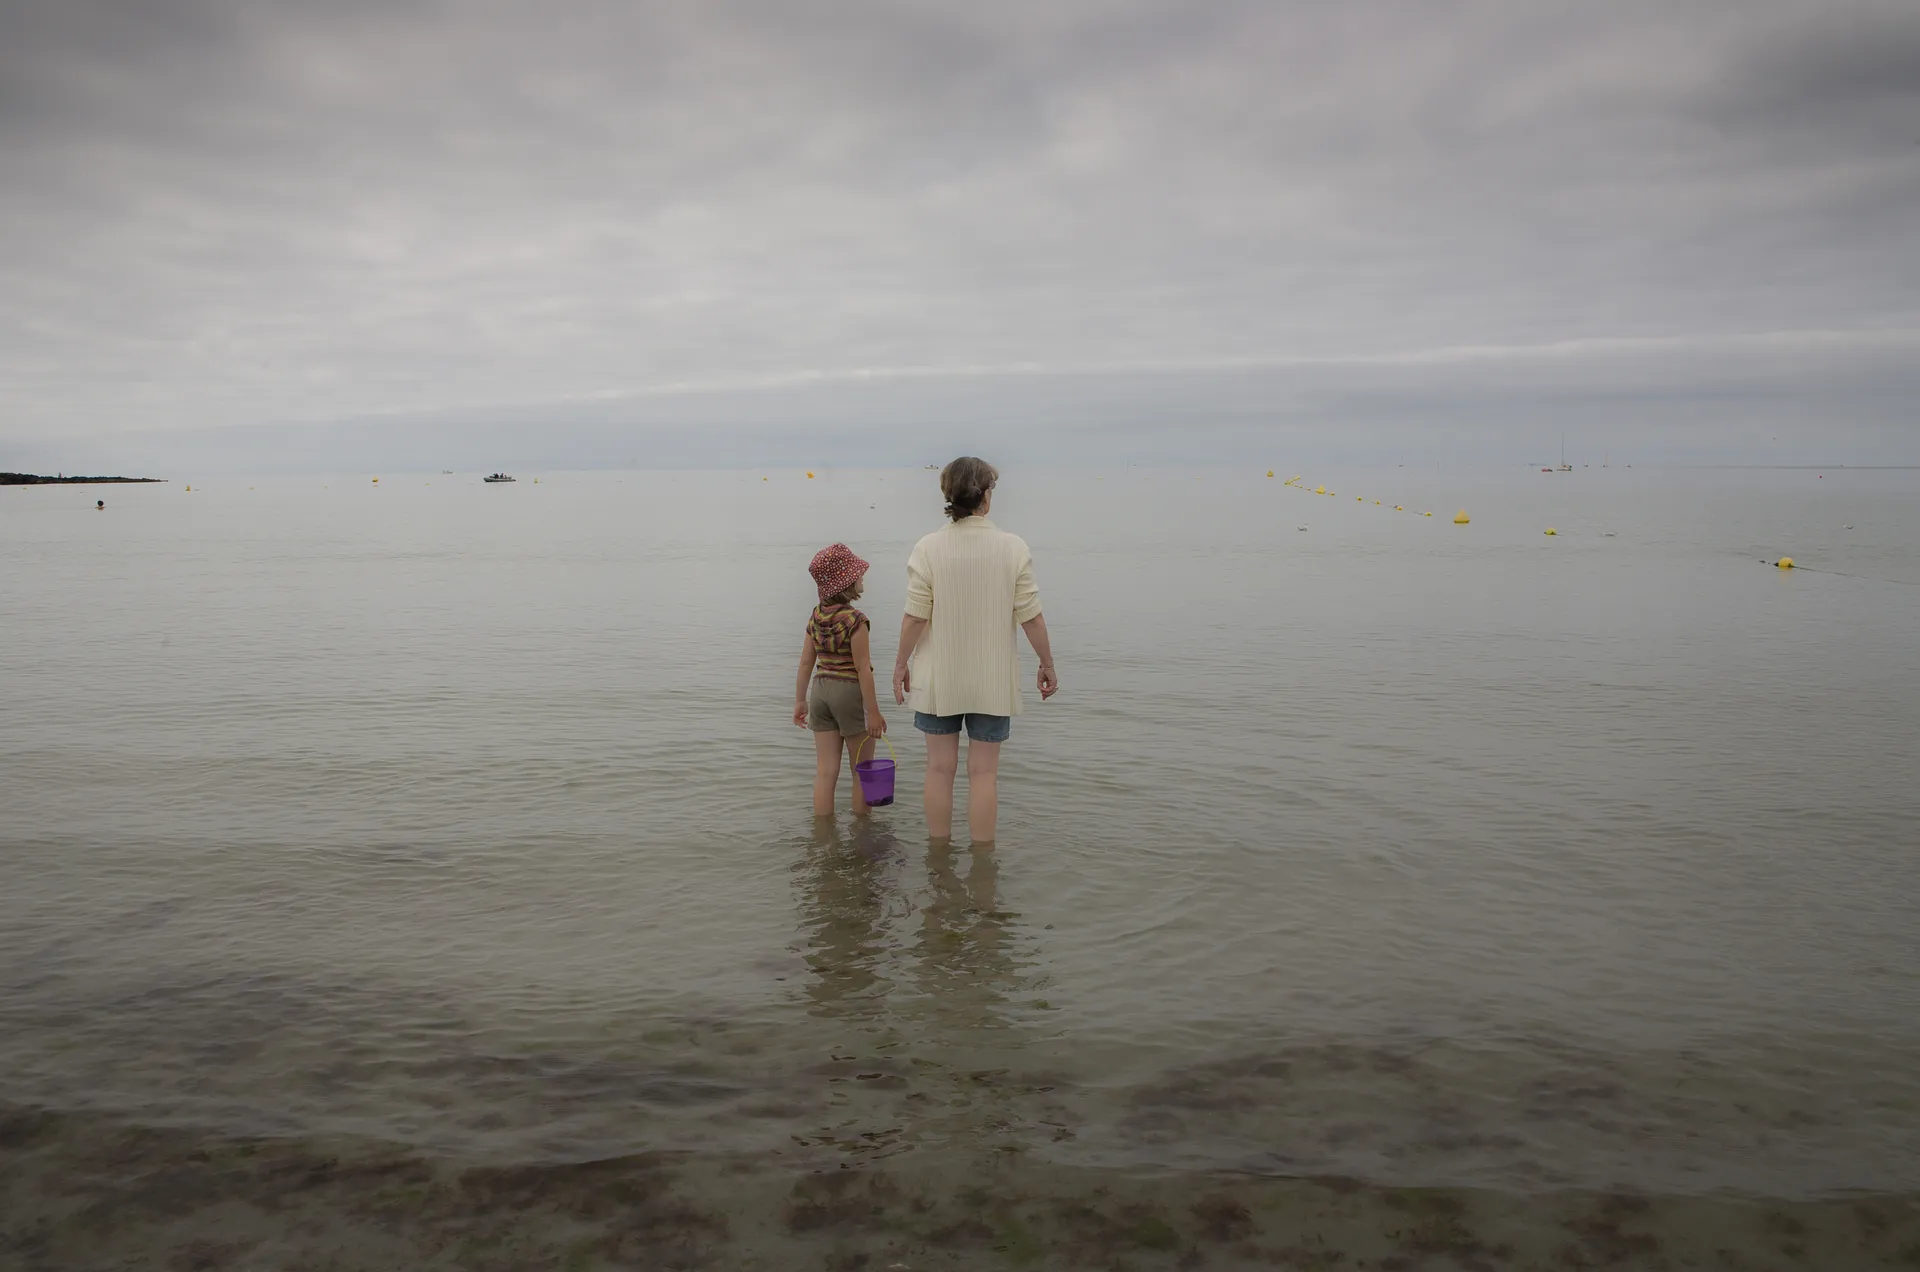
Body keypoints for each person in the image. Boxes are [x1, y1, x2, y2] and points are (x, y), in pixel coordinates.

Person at [892, 458, 1057, 845]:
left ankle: (939, 861)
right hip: (992, 679)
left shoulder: (928, 547)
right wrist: (1046, 663)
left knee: (938, 769)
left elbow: (915, 616)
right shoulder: (1012, 547)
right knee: (983, 775)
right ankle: (983, 868)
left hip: (939, 678)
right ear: (986, 495)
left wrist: (900, 665)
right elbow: (1030, 616)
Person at [794, 543, 888, 817]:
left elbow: (805, 663)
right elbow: (862, 670)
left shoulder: (816, 616)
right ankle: (862, 833)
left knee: (825, 772)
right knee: (862, 770)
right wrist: (873, 712)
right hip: (848, 693)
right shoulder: (855, 620)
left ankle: (823, 834)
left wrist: (800, 701)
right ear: (845, 582)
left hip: (821, 691)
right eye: (858, 573)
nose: (862, 576)